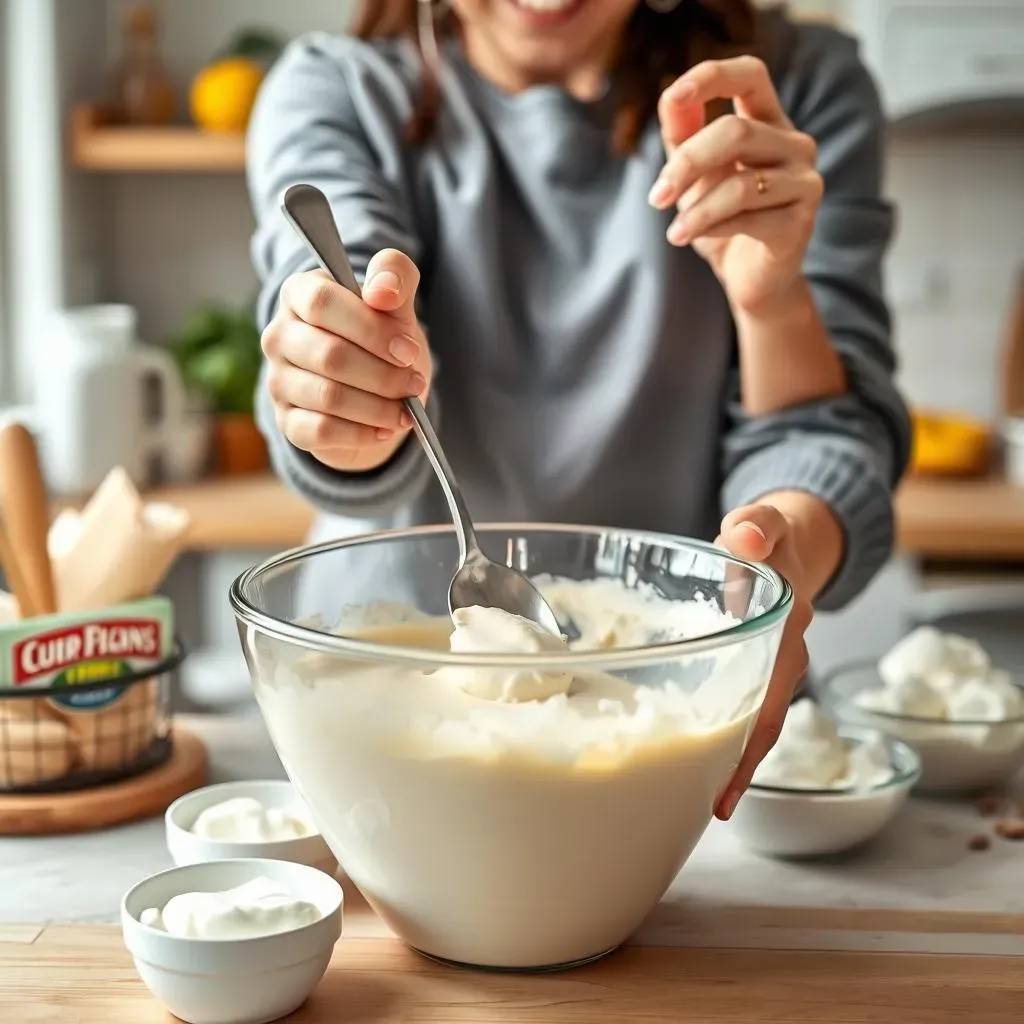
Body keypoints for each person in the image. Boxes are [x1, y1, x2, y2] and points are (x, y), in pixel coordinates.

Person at [247, 0, 911, 820]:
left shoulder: (794, 90)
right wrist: (346, 391)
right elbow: (339, 297)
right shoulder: (335, 89)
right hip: (369, 722)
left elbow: (825, 436)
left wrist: (774, 568)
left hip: (674, 695)